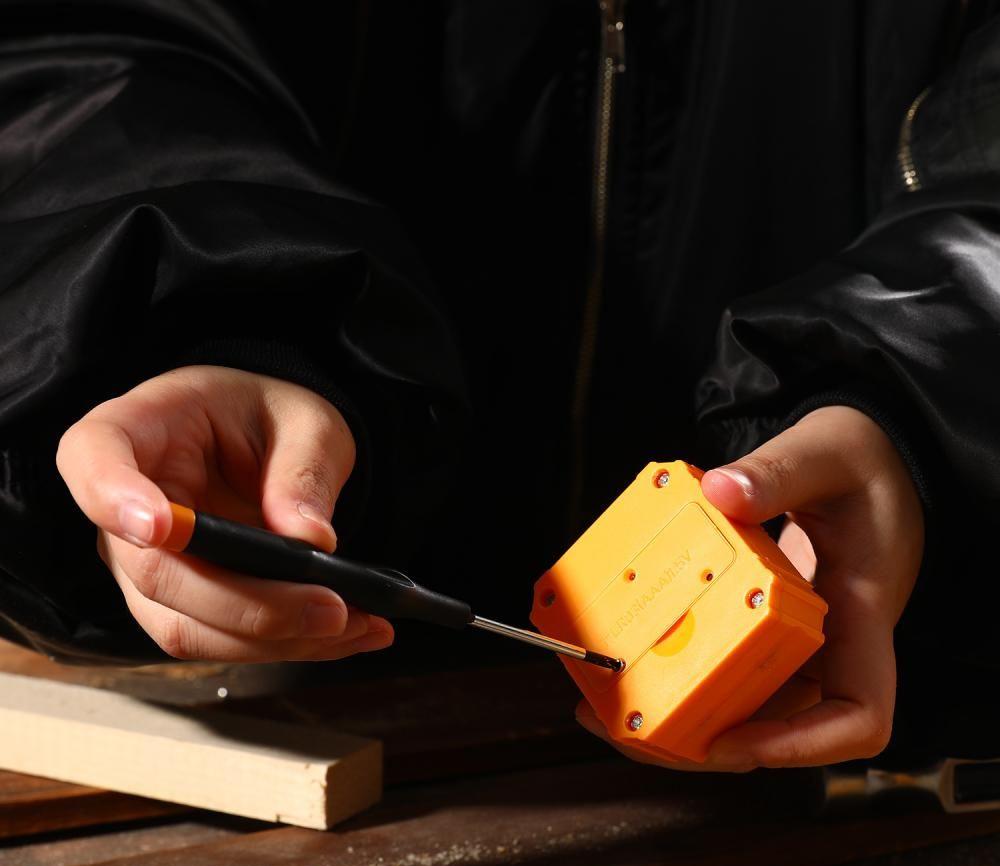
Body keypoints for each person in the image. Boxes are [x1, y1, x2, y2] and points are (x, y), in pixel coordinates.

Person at [0, 1, 997, 770]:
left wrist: (916, 403)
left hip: (883, 743)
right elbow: (78, 53)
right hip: (327, 717)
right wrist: (205, 322)